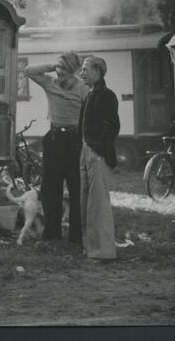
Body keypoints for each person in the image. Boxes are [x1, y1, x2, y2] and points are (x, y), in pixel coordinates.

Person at [25, 52, 87, 243]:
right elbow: (29, 71)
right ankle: (52, 234)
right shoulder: (49, 82)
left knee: (76, 188)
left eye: (65, 69)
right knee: (50, 189)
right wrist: (54, 66)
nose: (60, 72)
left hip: (75, 140)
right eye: (59, 68)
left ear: (74, 70)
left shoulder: (83, 88)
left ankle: (76, 235)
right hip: (54, 139)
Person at [78, 55, 120, 261]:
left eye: (85, 69)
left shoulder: (106, 95)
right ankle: (90, 248)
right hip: (86, 150)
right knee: (86, 202)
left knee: (99, 205)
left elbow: (112, 126)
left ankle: (104, 252)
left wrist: (99, 150)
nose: (82, 73)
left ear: (97, 72)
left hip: (97, 154)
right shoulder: (90, 94)